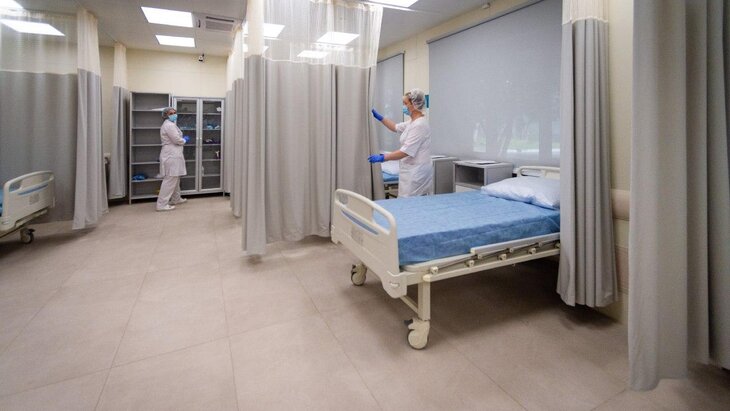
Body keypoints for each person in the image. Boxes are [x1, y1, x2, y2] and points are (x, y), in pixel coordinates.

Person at [369, 88, 433, 197]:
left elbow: (405, 151)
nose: (403, 106)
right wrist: (380, 118)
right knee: (405, 200)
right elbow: (395, 127)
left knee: (412, 202)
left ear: (414, 105)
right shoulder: (412, 122)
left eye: (405, 103)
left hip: (416, 172)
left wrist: (383, 158)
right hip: (409, 170)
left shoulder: (419, 125)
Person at [156, 107, 188, 211]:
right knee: (170, 179)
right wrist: (184, 140)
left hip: (174, 154)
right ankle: (161, 205)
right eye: (171, 113)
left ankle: (176, 199)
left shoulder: (170, 124)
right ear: (166, 115)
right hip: (171, 155)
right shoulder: (169, 125)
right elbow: (176, 140)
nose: (174, 114)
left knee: (176, 178)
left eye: (175, 113)